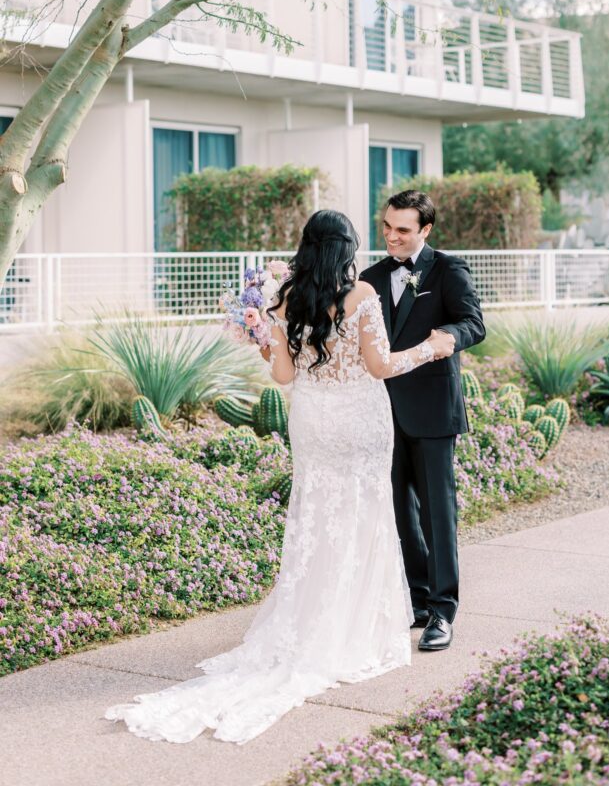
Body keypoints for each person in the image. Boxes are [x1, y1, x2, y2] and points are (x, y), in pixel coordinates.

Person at [103, 209, 454, 744]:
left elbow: (284, 375)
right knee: (362, 514)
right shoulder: (361, 296)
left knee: (315, 515)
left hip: (313, 420)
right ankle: (354, 627)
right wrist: (433, 346)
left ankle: (310, 622)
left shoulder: (288, 299)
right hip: (359, 419)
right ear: (347, 249)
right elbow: (380, 367)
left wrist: (268, 343)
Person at [360, 190, 485, 652]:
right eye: (388, 227)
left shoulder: (448, 270)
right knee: (397, 510)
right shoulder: (370, 277)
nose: (392, 236)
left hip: (433, 409)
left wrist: (448, 337)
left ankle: (443, 611)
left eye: (403, 230)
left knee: (437, 513)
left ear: (426, 230)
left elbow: (474, 323)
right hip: (381, 411)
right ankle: (415, 599)